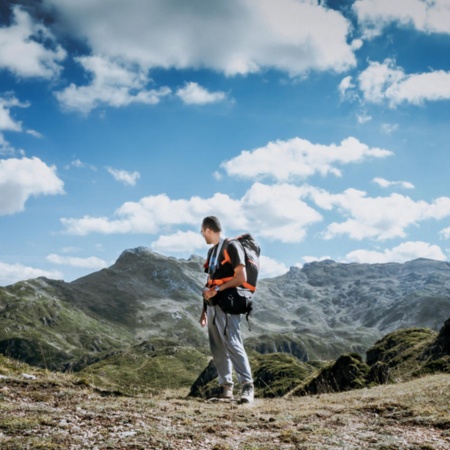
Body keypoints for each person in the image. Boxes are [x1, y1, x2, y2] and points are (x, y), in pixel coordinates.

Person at [199, 216, 254, 404]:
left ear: (208, 230)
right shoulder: (212, 252)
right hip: (213, 306)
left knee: (232, 342)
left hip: (229, 304)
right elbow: (210, 281)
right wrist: (204, 310)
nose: (202, 235)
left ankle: (247, 386)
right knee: (217, 347)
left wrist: (216, 290)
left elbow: (241, 277)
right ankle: (226, 389)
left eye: (202, 232)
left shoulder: (231, 246)